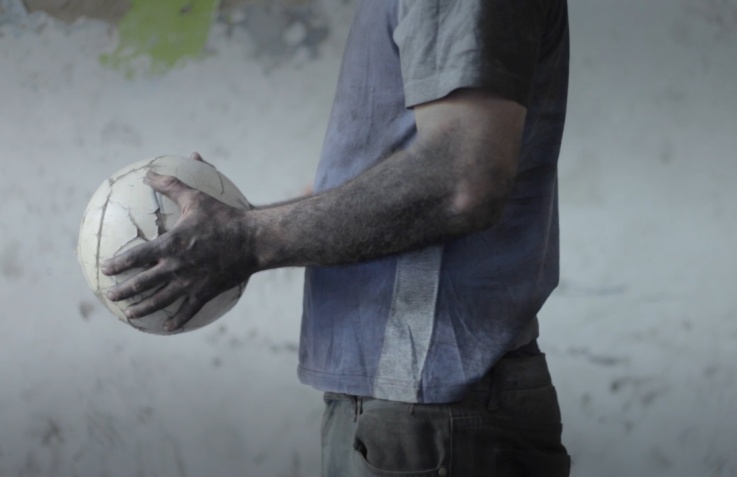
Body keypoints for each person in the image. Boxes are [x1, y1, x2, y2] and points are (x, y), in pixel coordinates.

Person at [102, 0, 571, 475]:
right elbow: (380, 174)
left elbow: (461, 181)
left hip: (433, 412)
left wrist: (246, 238)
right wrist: (230, 226)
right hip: (403, 409)